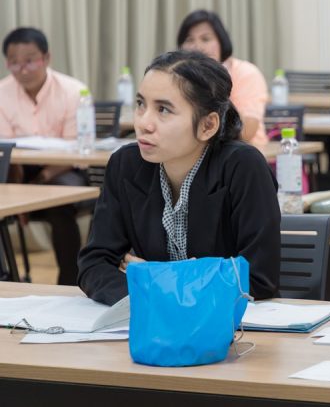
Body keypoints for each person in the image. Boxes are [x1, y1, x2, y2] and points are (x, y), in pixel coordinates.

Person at [78, 50, 281, 306]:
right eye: (141, 104)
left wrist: (157, 278)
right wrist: (163, 294)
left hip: (233, 325)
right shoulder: (126, 164)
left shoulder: (243, 167)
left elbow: (258, 278)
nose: (143, 123)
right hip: (149, 323)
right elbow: (94, 264)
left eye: (163, 110)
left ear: (208, 125)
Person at [0, 27, 89, 285]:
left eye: (30, 61)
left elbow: (77, 150)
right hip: (18, 170)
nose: (22, 70)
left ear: (46, 58)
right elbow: (7, 150)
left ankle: (70, 283)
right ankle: (6, 279)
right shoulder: (2, 92)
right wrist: (18, 190)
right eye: (14, 63)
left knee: (61, 202)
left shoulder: (73, 91)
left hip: (64, 170)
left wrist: (39, 182)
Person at [176, 9, 269, 144]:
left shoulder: (246, 73)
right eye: (189, 40)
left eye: (205, 39)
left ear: (222, 42)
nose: (197, 46)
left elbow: (246, 131)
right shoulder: (178, 77)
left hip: (243, 150)